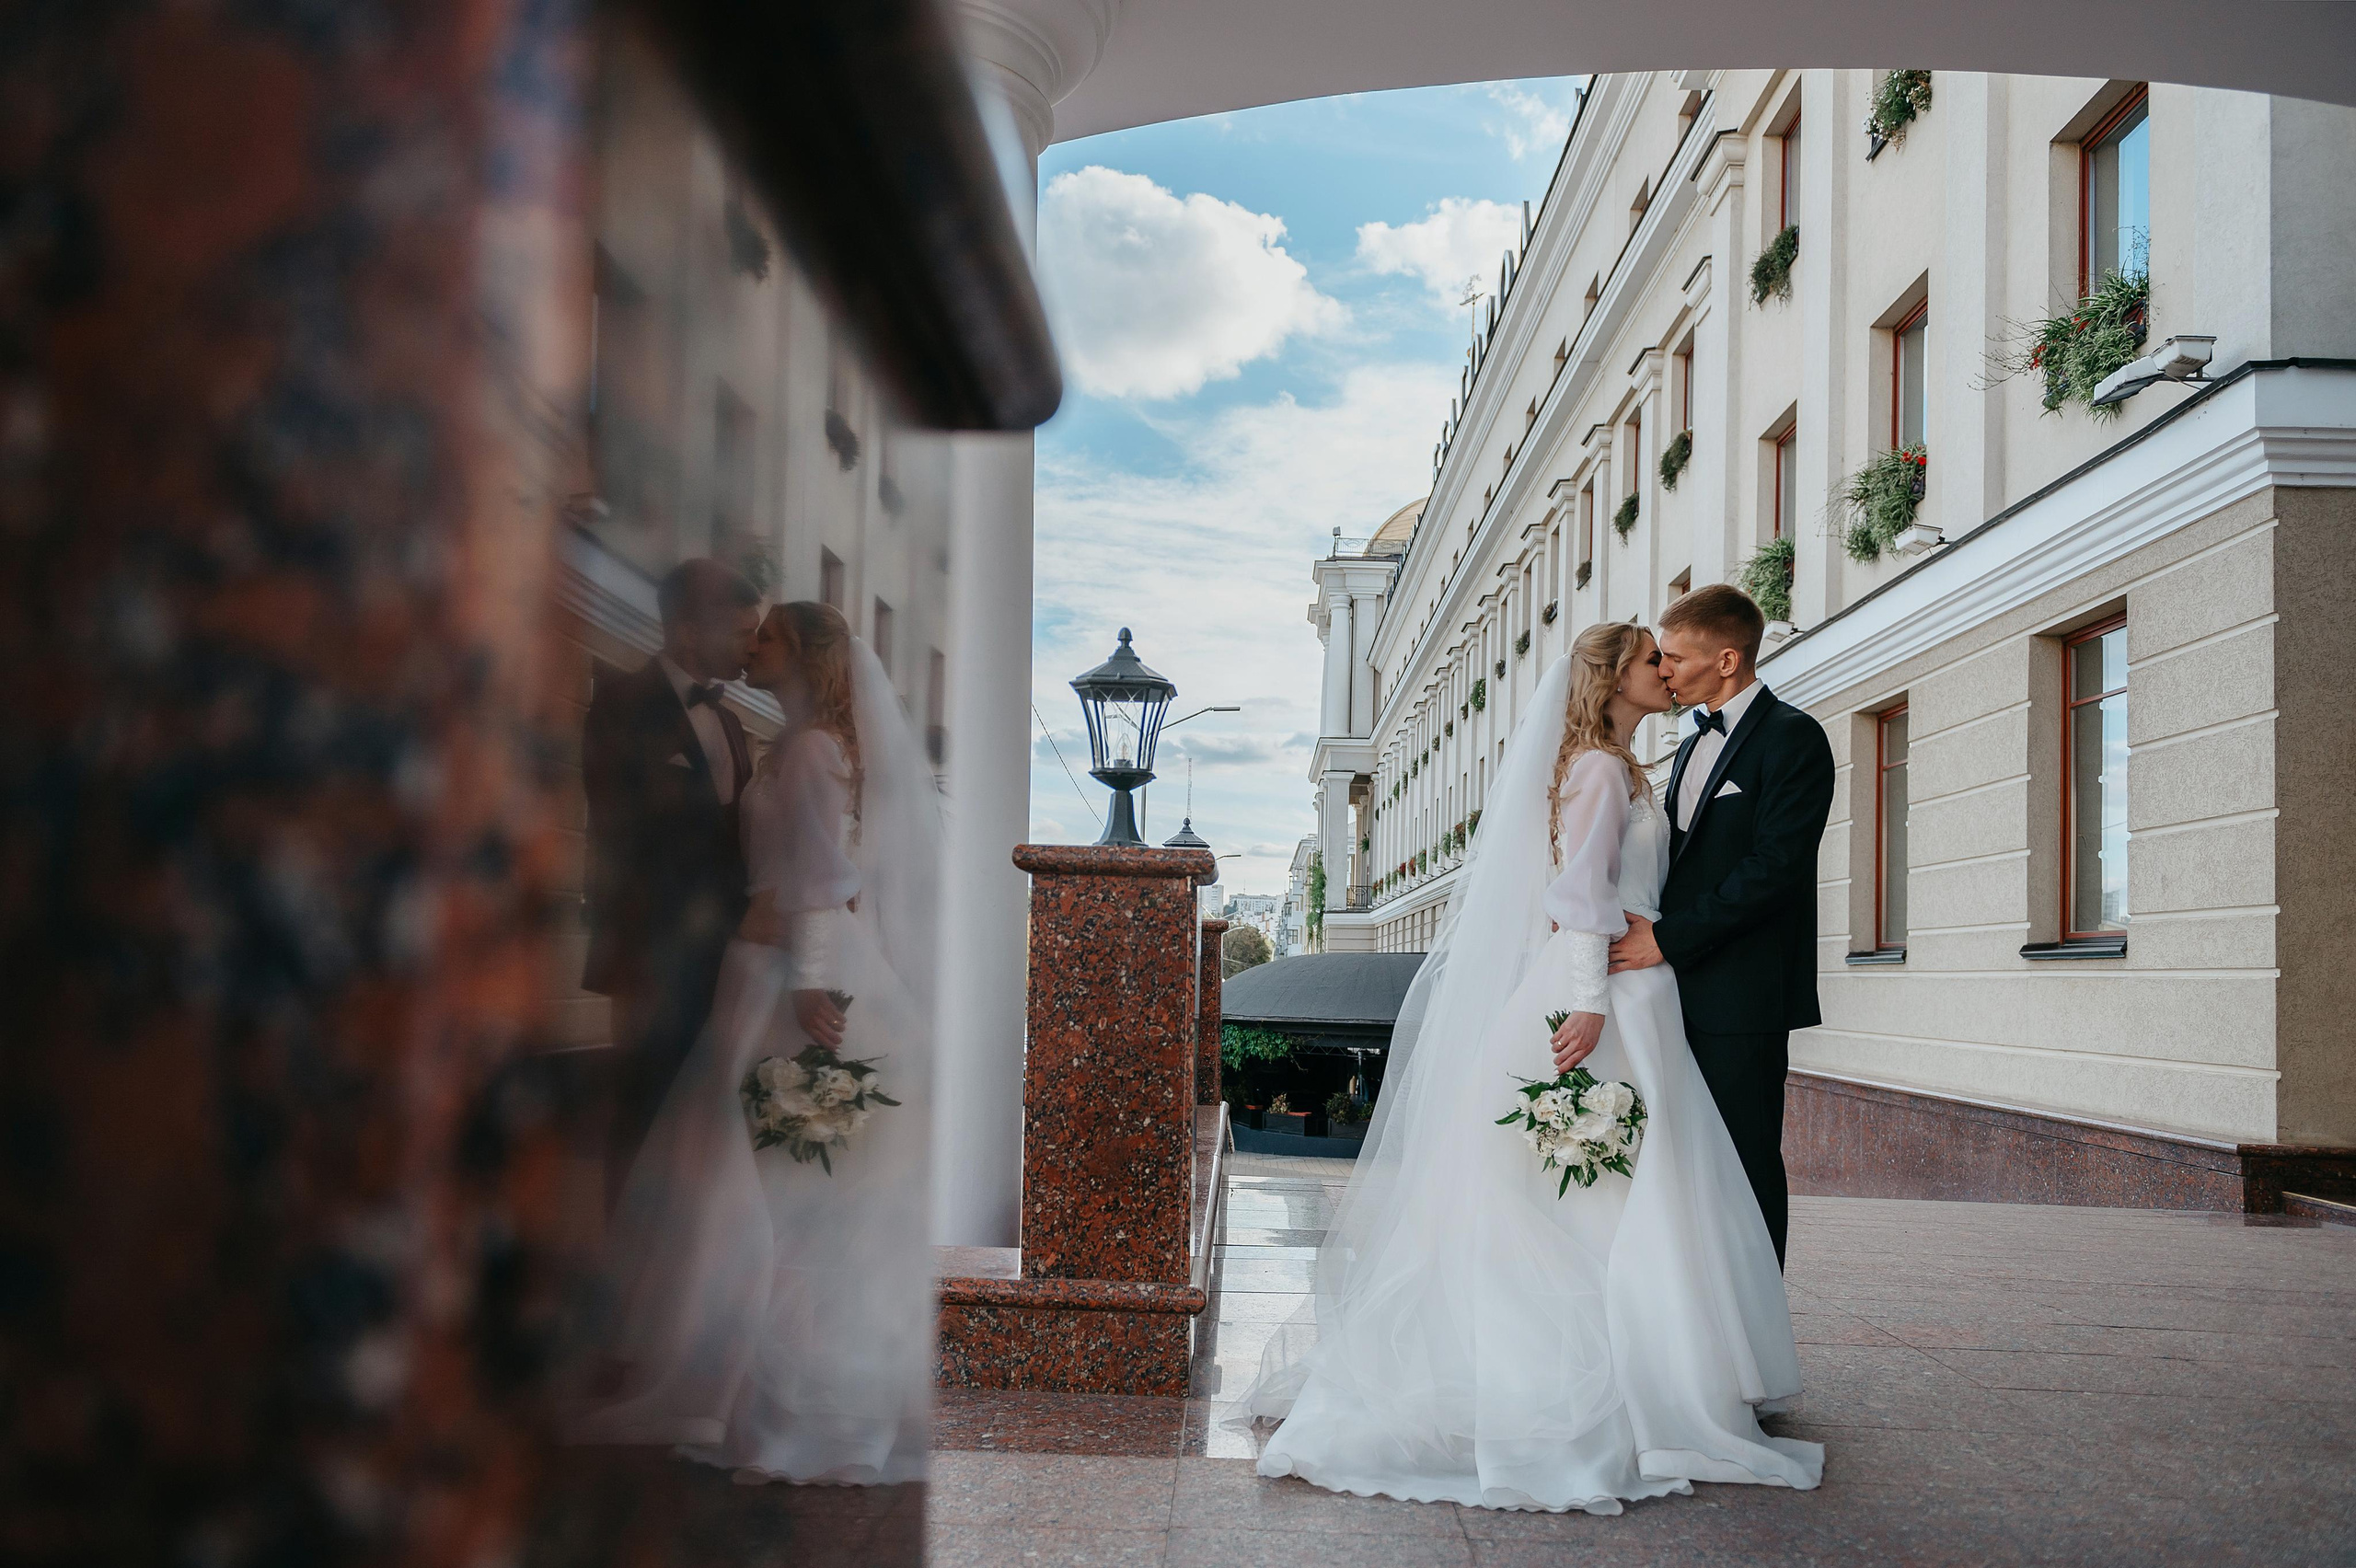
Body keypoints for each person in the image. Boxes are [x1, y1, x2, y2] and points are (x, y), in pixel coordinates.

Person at [1245, 620, 1823, 1514]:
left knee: (1628, 1189)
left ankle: (1656, 1371)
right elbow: (1578, 899)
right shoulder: (1597, 770)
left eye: (1668, 658)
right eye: (1647, 661)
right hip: (1604, 995)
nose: (1662, 672)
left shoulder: (1626, 767)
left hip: (1641, 994)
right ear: (1611, 678)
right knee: (1589, 1190)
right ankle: (1599, 1382)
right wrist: (1588, 999)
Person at [569, 601, 940, 1487]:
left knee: (787, 1185)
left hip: (794, 983)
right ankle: (762, 1382)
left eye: (766, 635)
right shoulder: (786, 746)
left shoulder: (810, 754)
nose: (749, 642)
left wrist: (809, 982)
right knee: (767, 1184)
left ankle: (792, 1393)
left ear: (804, 656)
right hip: (764, 975)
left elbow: (822, 878)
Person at [1605, 584, 1836, 1267]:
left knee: (1745, 1161)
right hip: (1672, 990)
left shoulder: (1794, 737)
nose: (1664, 668)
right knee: (1687, 1161)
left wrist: (1666, 939)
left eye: (1674, 656)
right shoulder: (1687, 744)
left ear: (1727, 659)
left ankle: (1756, 1325)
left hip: (1743, 996)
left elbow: (1774, 869)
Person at [581, 559, 760, 1210]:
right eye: (741, 632)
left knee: (706, 1128)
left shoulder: (735, 725)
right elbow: (623, 836)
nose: (751, 648)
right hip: (651, 958)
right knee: (643, 1114)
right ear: (687, 630)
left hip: (727, 965)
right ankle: (626, 1268)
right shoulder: (621, 705)